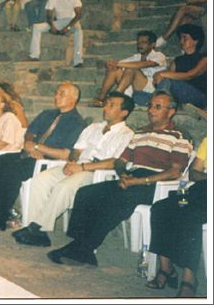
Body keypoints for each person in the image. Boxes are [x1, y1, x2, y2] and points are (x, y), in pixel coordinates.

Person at [47, 91, 193, 267]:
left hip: (156, 184)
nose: (151, 110)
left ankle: (83, 248)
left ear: (171, 112)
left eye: (158, 107)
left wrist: (138, 182)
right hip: (132, 177)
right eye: (150, 105)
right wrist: (123, 173)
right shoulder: (141, 132)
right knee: (87, 193)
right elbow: (121, 161)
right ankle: (79, 245)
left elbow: (175, 172)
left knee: (118, 199)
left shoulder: (180, 135)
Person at [13, 92, 135, 247]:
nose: (105, 107)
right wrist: (71, 163)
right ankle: (36, 230)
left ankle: (36, 228)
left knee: (64, 187)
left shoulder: (127, 134)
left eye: (111, 105)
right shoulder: (94, 127)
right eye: (106, 103)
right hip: (78, 164)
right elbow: (77, 150)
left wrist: (82, 167)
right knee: (40, 180)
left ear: (124, 113)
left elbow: (114, 162)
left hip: (97, 172)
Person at [0, 82, 86, 231]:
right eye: (56, 93)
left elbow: (66, 153)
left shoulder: (77, 123)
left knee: (11, 172)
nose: (56, 96)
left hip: (48, 161)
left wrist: (39, 147)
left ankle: (0, 218)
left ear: (74, 98)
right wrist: (29, 143)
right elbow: (30, 131)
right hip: (28, 154)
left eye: (61, 94)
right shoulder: (47, 114)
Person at [147, 137, 207, 297]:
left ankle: (189, 278)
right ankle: (166, 268)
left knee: (192, 214)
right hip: (204, 187)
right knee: (161, 208)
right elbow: (194, 172)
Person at [90, 31, 167, 108]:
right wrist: (111, 64)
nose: (140, 45)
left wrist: (117, 64)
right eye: (138, 42)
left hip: (150, 88)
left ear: (152, 44)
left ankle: (116, 96)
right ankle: (101, 99)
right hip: (132, 85)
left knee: (131, 69)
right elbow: (118, 64)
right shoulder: (136, 57)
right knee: (115, 70)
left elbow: (143, 64)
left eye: (143, 42)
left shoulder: (159, 56)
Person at [28, 0, 84, 68]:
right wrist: (52, 26)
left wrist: (68, 27)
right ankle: (34, 55)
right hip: (59, 22)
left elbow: (79, 15)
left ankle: (78, 61)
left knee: (79, 31)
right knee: (36, 27)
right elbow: (49, 16)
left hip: (72, 21)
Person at [153, 24, 207, 111]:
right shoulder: (177, 60)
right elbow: (167, 78)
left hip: (201, 97)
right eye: (180, 38)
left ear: (195, 41)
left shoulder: (205, 58)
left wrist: (162, 74)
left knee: (169, 81)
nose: (181, 41)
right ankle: (167, 104)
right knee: (138, 95)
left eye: (185, 38)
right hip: (179, 95)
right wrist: (159, 78)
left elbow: (190, 75)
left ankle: (160, 104)